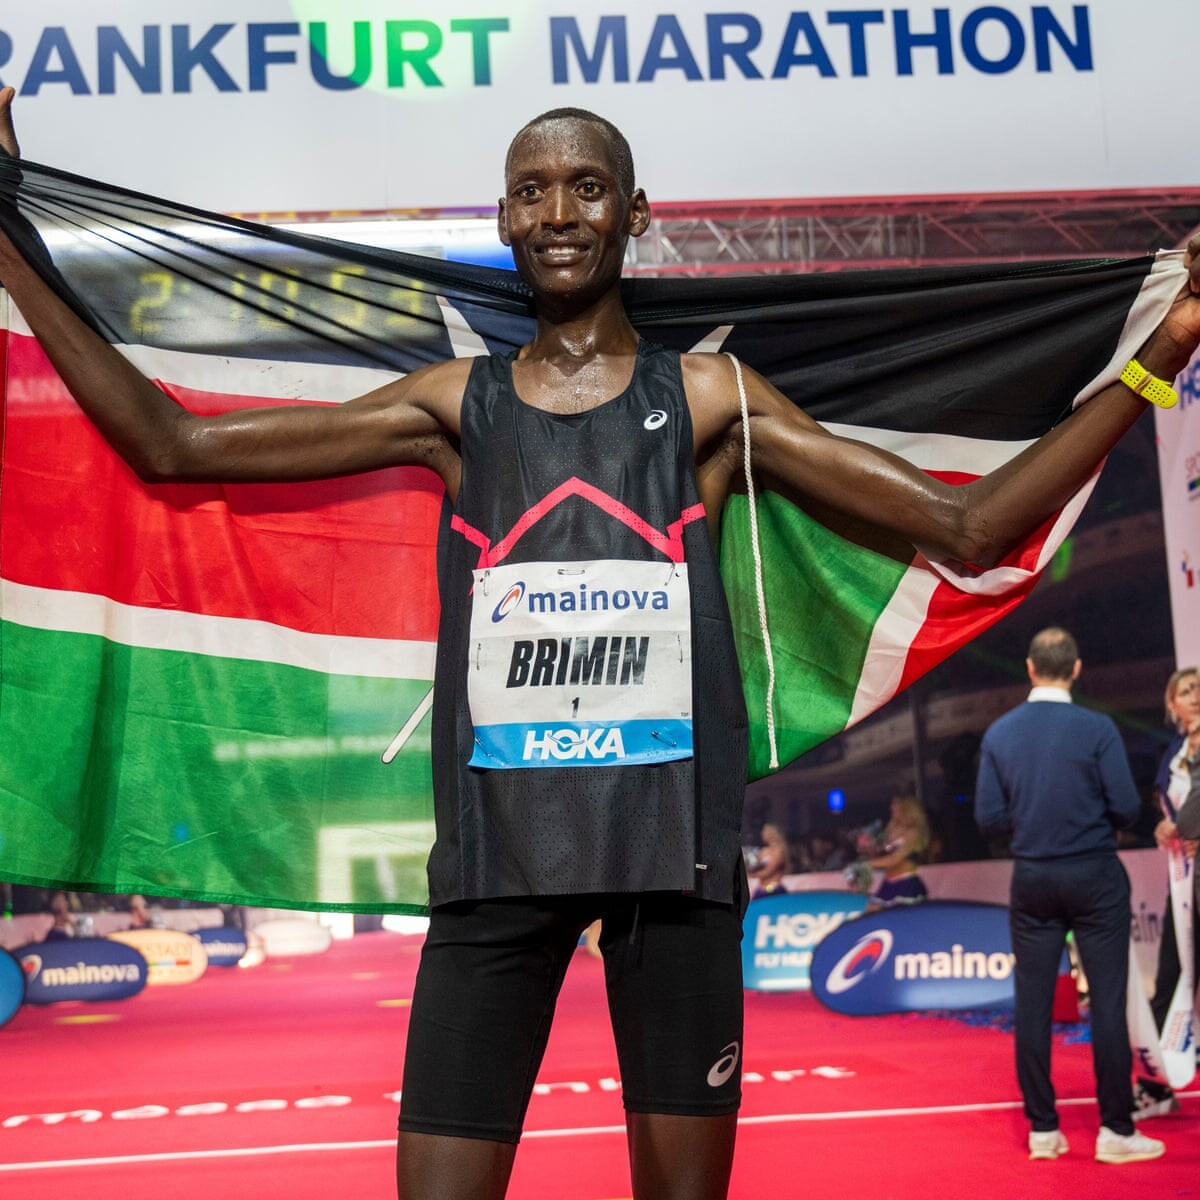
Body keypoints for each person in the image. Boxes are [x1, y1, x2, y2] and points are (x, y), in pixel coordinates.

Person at [2, 94, 1198, 1200]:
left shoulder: (713, 399)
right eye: (531, 191)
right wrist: (10, 237)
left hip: (672, 868)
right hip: (496, 867)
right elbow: (173, 446)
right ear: (503, 220)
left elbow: (968, 527)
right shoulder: (455, 406)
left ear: (636, 213)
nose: (558, 212)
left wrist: (1167, 350)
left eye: (586, 186)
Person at [975, 627, 1165, 1165]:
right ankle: (1116, 1131)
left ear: (1030, 668)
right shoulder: (1097, 728)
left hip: (1033, 876)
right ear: (1076, 670)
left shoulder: (1000, 733)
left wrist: (1033, 822)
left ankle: (1043, 1130)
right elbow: (1126, 807)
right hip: (1094, 874)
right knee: (1106, 1003)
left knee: (1033, 1005)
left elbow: (988, 818)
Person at [1135, 666, 1200, 1119]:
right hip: (1182, 885)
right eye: (1186, 690)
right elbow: (1170, 812)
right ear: (1173, 704)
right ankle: (1155, 1088)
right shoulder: (1173, 754)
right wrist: (1163, 826)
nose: (1195, 695)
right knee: (1169, 980)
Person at [867, 793, 930, 911]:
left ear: (906, 807)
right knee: (872, 913)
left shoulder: (913, 831)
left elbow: (895, 859)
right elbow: (883, 855)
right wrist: (869, 848)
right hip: (888, 882)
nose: (891, 807)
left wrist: (866, 864)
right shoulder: (891, 829)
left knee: (902, 917)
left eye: (895, 803)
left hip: (906, 883)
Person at [747, 824, 791, 899]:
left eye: (765, 832)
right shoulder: (764, 851)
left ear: (772, 834)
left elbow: (768, 871)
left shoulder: (779, 851)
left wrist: (751, 875)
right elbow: (754, 867)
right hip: (761, 889)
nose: (762, 834)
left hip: (774, 889)